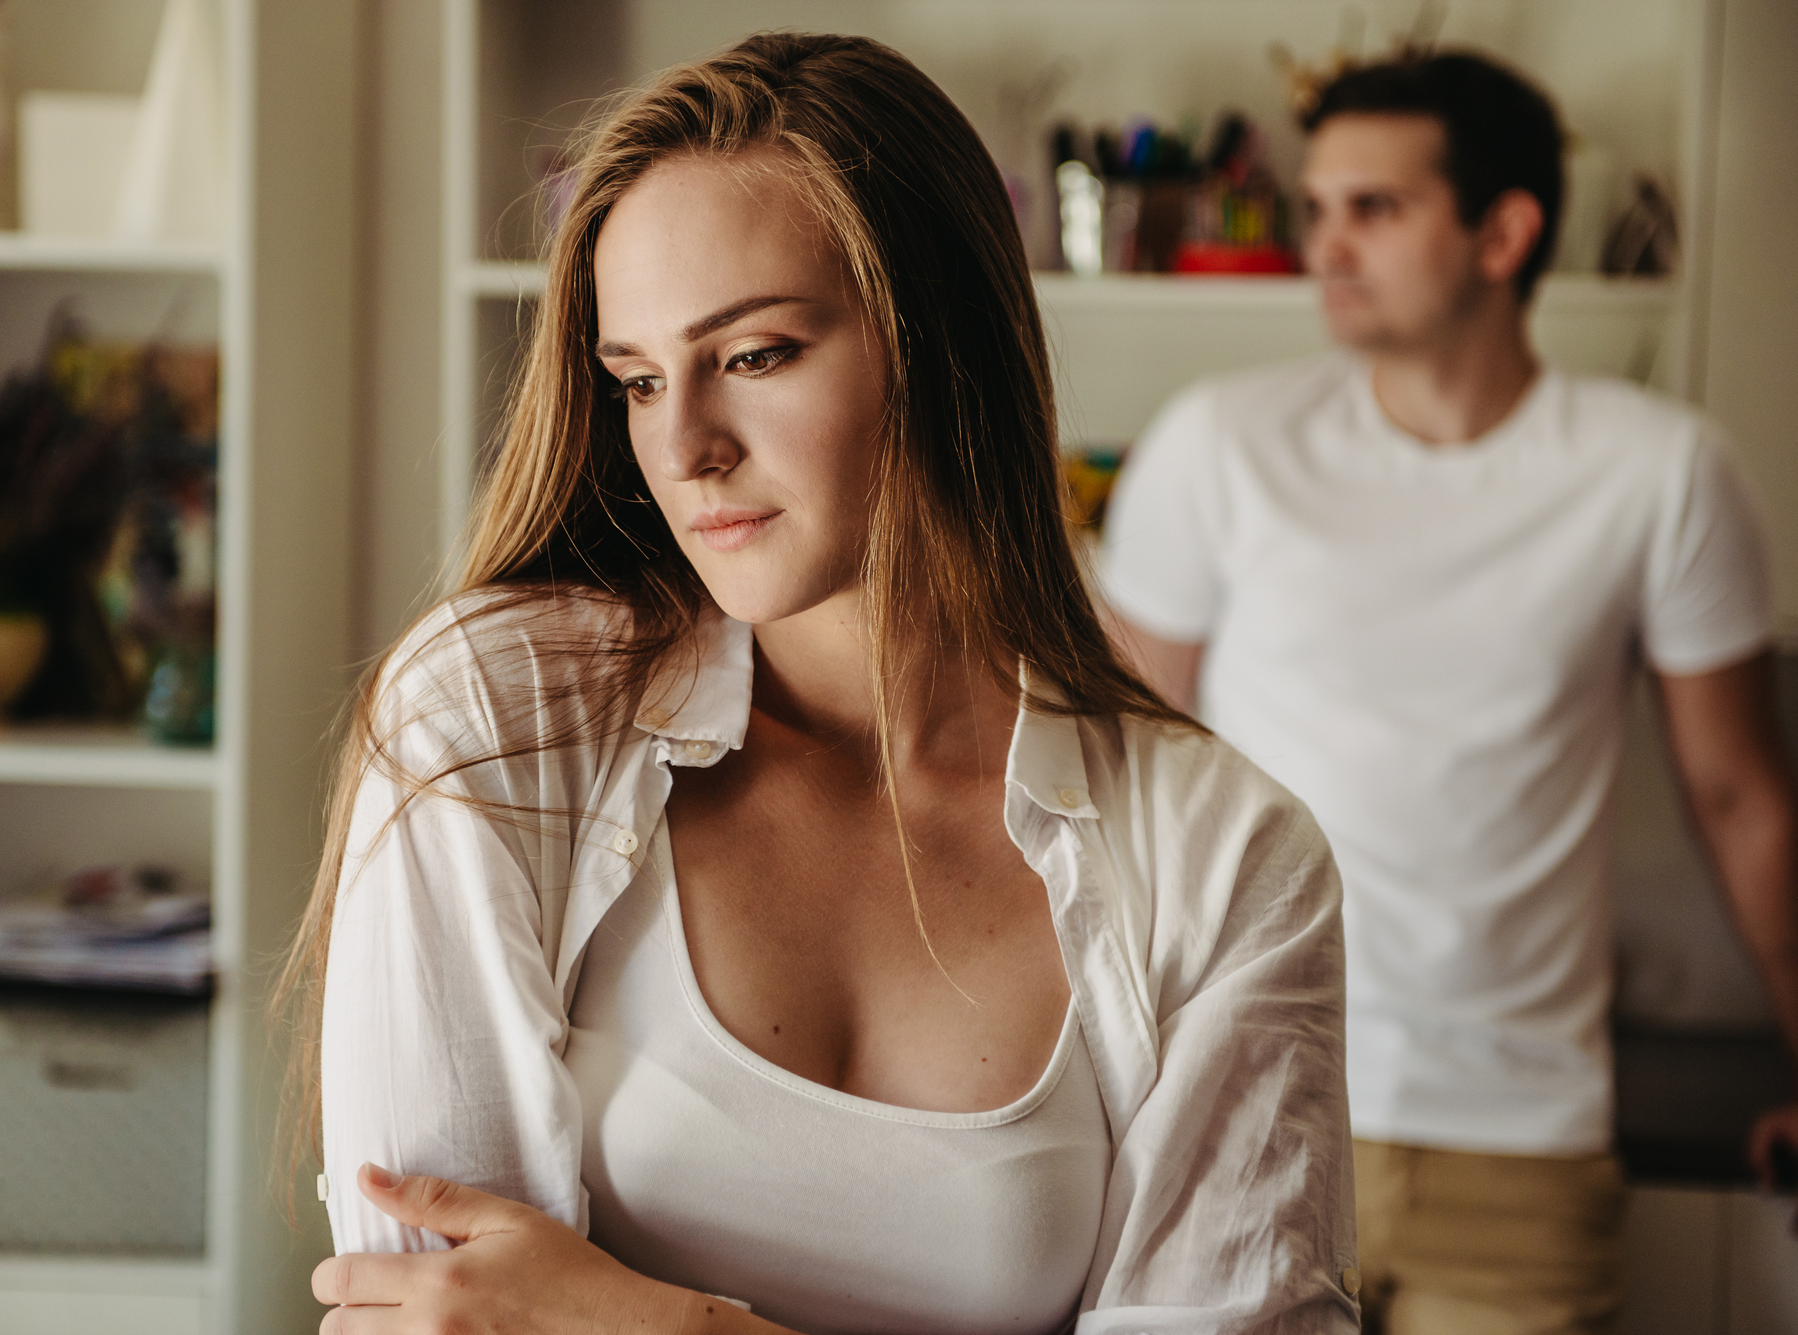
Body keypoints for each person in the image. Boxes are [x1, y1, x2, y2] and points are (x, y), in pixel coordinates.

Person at [280, 32, 1359, 1335]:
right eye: (634, 379)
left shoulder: (1226, 855)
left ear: (938, 338)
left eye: (754, 354)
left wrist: (673, 1328)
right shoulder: (498, 714)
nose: (682, 447)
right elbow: (437, 1306)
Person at [1099, 50, 1798, 1335]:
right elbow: (1118, 782)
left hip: (1517, 1142)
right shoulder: (1218, 446)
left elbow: (1737, 791)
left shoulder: (1659, 473)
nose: (1326, 245)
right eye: (1315, 208)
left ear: (1503, 230)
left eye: (1372, 208)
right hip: (1236, 1111)